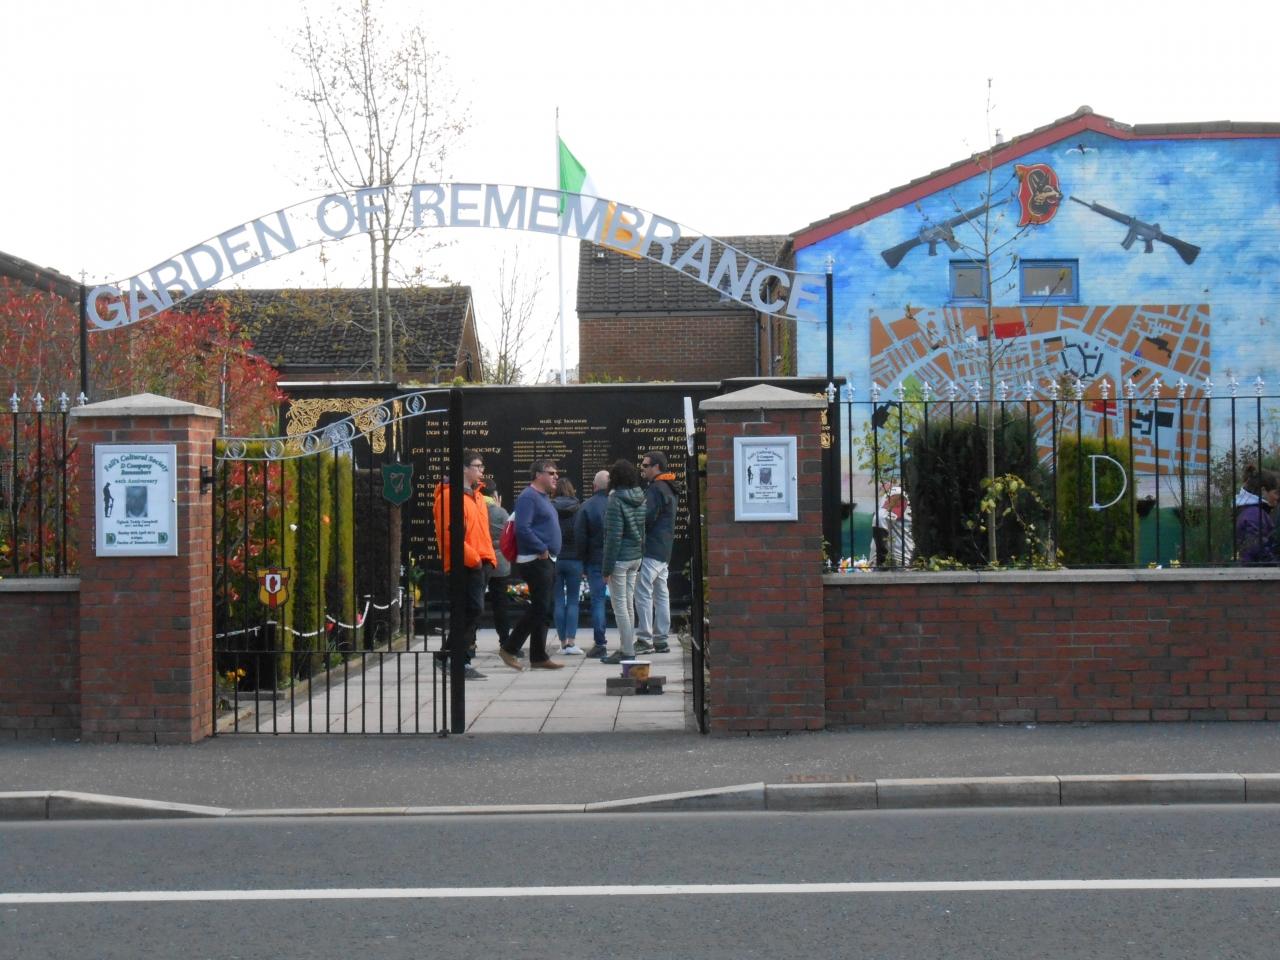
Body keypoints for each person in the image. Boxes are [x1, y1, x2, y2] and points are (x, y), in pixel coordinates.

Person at [430, 450, 492, 681]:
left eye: (482, 466)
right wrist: (474, 559)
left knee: (471, 613)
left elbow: (482, 532)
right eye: (477, 466)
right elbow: (450, 535)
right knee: (470, 611)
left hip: (481, 562)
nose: (481, 470)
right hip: (465, 564)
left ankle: (454, 658)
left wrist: (489, 558)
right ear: (464, 468)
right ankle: (454, 659)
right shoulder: (449, 497)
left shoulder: (477, 497)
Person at [498, 458, 565, 671]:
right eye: (551, 472)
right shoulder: (528, 497)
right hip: (535, 560)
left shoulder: (543, 497)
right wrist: (541, 547)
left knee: (546, 608)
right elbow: (523, 528)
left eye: (556, 473)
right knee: (540, 607)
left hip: (547, 559)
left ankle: (538, 656)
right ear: (538, 475)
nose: (556, 476)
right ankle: (509, 648)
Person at [599, 459, 646, 665]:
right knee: (628, 605)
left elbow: (613, 537)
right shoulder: (640, 497)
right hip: (635, 556)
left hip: (619, 559)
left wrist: (606, 569)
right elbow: (642, 529)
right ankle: (627, 647)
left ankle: (627, 651)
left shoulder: (615, 500)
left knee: (620, 607)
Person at [634, 451, 680, 656]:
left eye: (645, 465)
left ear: (656, 467)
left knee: (643, 592)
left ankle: (645, 638)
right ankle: (661, 639)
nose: (642, 469)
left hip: (651, 548)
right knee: (661, 594)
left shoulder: (655, 489)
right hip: (664, 550)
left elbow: (646, 516)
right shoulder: (669, 487)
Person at [574, 470, 611, 658]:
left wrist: (582, 562)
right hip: (619, 559)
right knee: (624, 602)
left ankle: (600, 643)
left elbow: (580, 537)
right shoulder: (618, 503)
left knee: (598, 601)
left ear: (594, 486)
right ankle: (628, 642)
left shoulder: (587, 507)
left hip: (595, 560)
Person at [551, 477, 584, 655]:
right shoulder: (579, 508)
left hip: (555, 558)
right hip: (575, 559)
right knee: (572, 601)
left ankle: (562, 643)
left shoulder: (550, 507)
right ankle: (571, 642)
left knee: (558, 601)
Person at [484, 487, 514, 652]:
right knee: (500, 604)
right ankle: (505, 641)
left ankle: (470, 643)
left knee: (475, 603)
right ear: (494, 496)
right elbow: (509, 535)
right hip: (500, 563)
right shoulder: (501, 513)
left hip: (480, 560)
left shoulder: (476, 509)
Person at [1234, 464, 1279, 564]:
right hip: (1256, 571)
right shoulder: (1254, 515)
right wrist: (1275, 565)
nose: (1277, 497)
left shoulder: (1252, 511)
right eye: (1276, 493)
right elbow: (1258, 550)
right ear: (1263, 491)